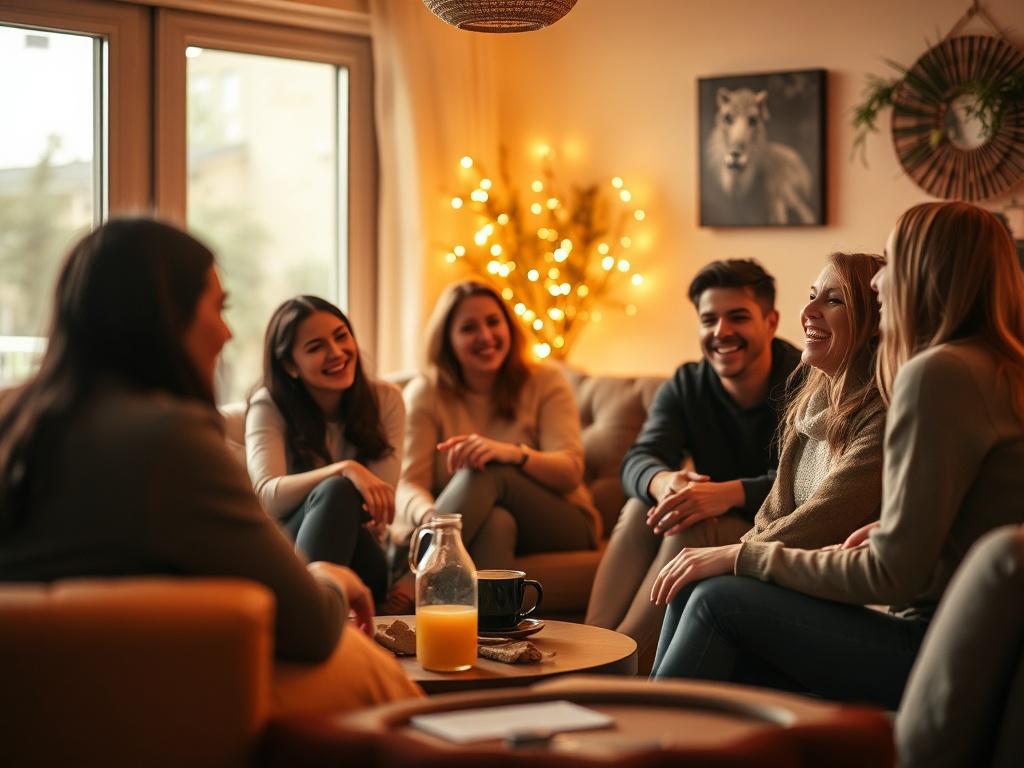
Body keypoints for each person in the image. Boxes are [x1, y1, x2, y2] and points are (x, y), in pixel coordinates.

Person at [0, 218, 420, 713]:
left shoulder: (15, 416)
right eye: (218, 308)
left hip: (27, 696)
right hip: (125, 699)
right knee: (375, 673)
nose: (225, 332)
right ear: (164, 314)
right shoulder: (169, 437)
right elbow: (307, 627)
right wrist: (326, 577)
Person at [649, 201, 1024, 711]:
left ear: (926, 272)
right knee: (705, 590)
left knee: (716, 597)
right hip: (977, 639)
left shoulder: (939, 374)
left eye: (891, 262)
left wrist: (741, 554)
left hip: (941, 647)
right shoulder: (997, 369)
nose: (877, 283)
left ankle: (641, 733)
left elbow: (893, 578)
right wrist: (900, 537)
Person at [650, 251, 886, 667]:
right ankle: (641, 698)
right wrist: (728, 554)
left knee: (709, 589)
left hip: (850, 598)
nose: (809, 311)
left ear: (872, 321)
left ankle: (640, 703)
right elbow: (771, 513)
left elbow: (821, 522)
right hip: (793, 579)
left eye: (833, 300)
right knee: (691, 578)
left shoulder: (882, 415)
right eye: (812, 296)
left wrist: (732, 556)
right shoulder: (809, 403)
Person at [585, 259, 801, 664]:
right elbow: (639, 459)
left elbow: (810, 483)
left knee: (693, 522)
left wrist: (730, 493)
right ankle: (589, 649)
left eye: (738, 317)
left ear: (770, 322)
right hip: (706, 518)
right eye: (709, 320)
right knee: (641, 506)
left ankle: (616, 668)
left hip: (777, 532)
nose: (721, 332)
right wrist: (663, 482)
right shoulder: (687, 384)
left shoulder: (806, 381)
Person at [395, 280, 599, 570]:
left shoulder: (546, 381)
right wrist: (433, 516)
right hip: (473, 522)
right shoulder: (426, 392)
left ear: (509, 327)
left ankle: (412, 573)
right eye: (468, 328)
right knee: (496, 523)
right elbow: (409, 482)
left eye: (493, 322)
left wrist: (511, 454)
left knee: (484, 470)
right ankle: (491, 615)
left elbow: (570, 471)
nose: (486, 336)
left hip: (563, 521)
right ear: (447, 339)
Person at [246, 296, 403, 606]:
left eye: (341, 336)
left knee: (339, 492)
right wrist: (344, 469)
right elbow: (266, 496)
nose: (336, 353)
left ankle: (309, 616)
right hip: (291, 556)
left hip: (364, 559)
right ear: (290, 365)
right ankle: (311, 612)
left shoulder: (386, 399)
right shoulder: (269, 404)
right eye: (315, 347)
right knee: (337, 489)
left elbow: (379, 511)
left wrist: (344, 478)